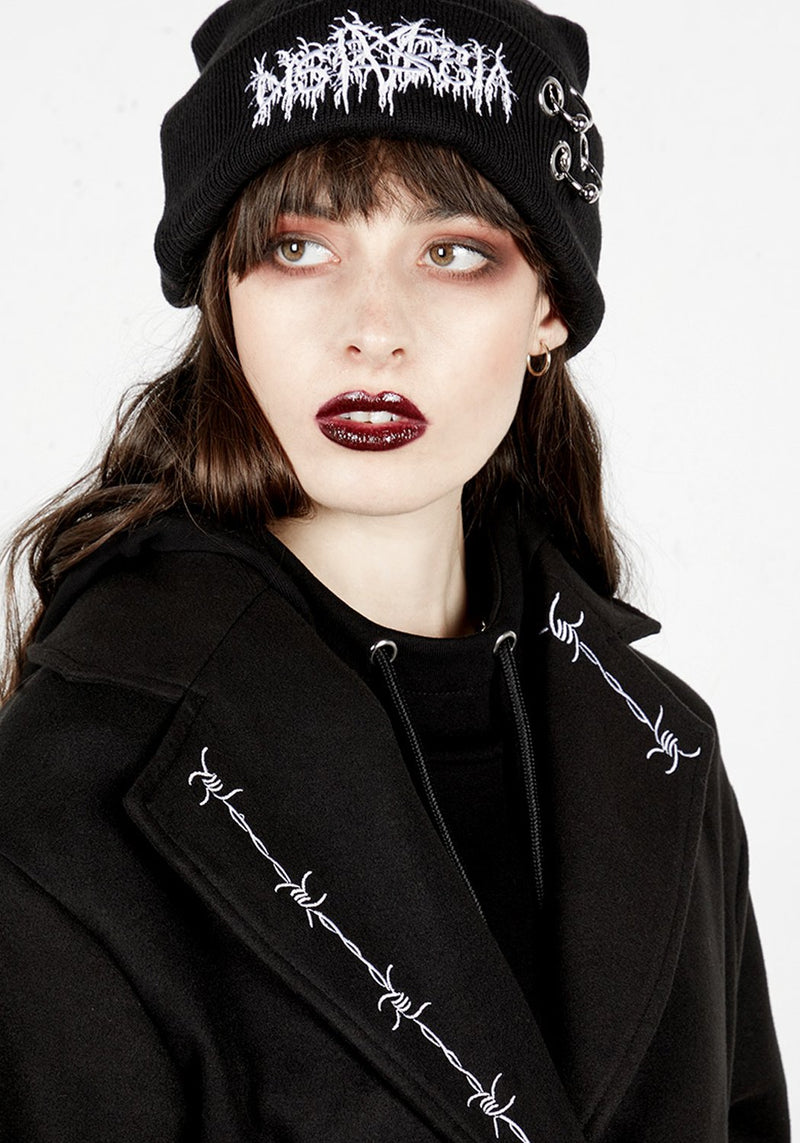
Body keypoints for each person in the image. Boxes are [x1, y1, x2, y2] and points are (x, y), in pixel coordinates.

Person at [0, 0, 789, 1139]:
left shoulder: (661, 753)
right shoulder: (71, 794)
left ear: (549, 306)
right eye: (299, 247)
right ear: (224, 292)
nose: (373, 328)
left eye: (453, 252)